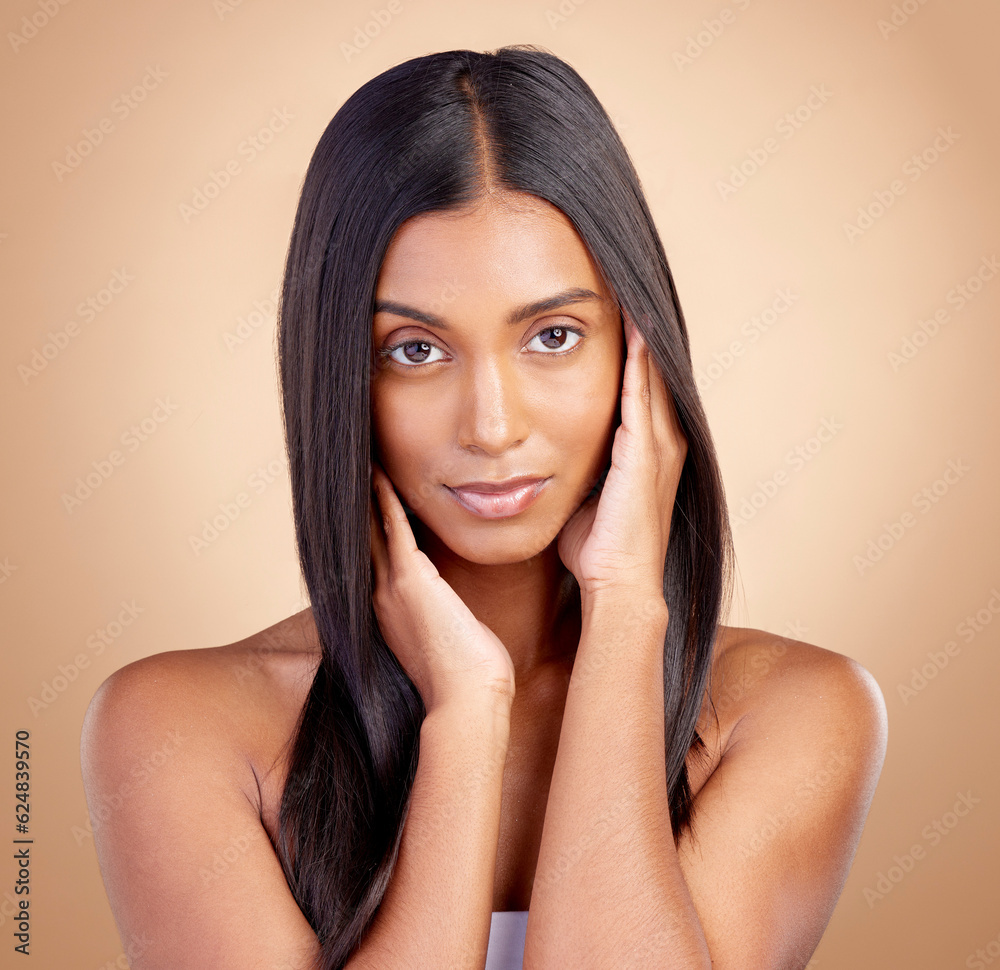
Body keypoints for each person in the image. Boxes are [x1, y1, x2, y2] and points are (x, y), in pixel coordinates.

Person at [79, 45, 888, 970]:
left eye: (553, 335)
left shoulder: (793, 715)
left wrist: (626, 611)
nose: (493, 427)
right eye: (416, 350)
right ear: (337, 373)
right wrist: (463, 718)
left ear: (642, 352)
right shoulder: (175, 729)